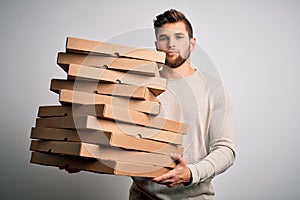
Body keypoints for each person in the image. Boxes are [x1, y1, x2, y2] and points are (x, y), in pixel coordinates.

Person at [129, 9, 236, 200]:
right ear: (156, 45)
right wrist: (82, 158)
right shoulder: (137, 87)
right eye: (164, 38)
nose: (171, 44)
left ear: (192, 43)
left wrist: (191, 173)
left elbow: (226, 150)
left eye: (179, 37)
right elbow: (117, 136)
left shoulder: (215, 89)